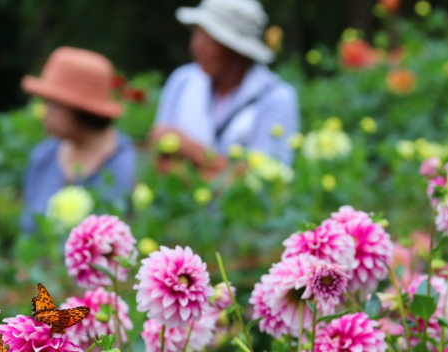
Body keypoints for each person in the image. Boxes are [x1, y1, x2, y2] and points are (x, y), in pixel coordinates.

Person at [151, 0, 299, 178]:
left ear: (236, 50)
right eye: (197, 34)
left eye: (208, 39)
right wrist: (230, 171)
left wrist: (187, 148)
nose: (196, 46)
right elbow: (158, 161)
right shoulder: (182, 81)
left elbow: (265, 183)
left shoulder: (276, 98)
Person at [20, 47, 136, 232]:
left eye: (53, 105)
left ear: (82, 109)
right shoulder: (42, 157)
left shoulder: (127, 165)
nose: (44, 113)